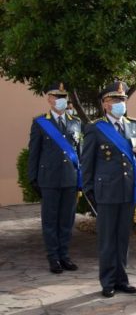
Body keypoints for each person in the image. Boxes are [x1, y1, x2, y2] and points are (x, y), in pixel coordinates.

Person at [81, 82, 136, 297]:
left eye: (122, 99)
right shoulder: (95, 128)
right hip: (106, 192)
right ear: (105, 104)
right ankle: (107, 282)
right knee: (107, 240)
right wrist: (90, 192)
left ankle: (121, 279)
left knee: (122, 238)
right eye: (115, 100)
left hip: (127, 190)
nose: (120, 104)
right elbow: (86, 163)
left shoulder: (134, 125)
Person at [28, 83, 82, 274]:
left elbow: (79, 153)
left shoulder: (75, 122)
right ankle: (53, 258)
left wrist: (81, 179)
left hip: (70, 178)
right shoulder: (40, 122)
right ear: (49, 99)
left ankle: (65, 256)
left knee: (67, 220)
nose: (61, 100)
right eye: (56, 96)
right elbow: (34, 152)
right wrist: (33, 178)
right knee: (50, 220)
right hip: (49, 179)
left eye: (63, 96)